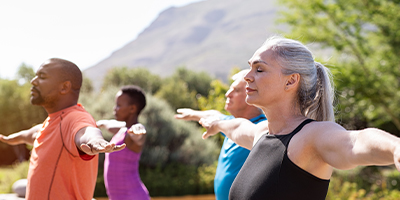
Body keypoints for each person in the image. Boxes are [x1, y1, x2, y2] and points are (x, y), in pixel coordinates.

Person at [199, 36, 400, 200]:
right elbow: (235, 127)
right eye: (250, 68)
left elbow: (356, 141)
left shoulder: (311, 137)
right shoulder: (261, 133)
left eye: (259, 69)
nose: (247, 77)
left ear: (291, 81)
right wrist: (216, 123)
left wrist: (395, 147)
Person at [0, 58, 125, 200]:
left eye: (42, 77)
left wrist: (95, 140)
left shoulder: (75, 118)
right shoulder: (53, 122)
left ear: (64, 87)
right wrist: (8, 138)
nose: (33, 81)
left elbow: (86, 130)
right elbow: (33, 133)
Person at [174, 70, 266, 200]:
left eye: (236, 90)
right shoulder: (228, 124)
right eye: (230, 89)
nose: (228, 94)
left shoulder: (263, 129)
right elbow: (213, 115)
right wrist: (192, 114)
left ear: (252, 95)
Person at [97, 85, 150, 200]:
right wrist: (99, 123)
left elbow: (139, 136)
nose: (115, 108)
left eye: (119, 105)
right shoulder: (122, 130)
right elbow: (110, 124)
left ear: (132, 109)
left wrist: (138, 133)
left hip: (133, 196)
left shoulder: (133, 132)